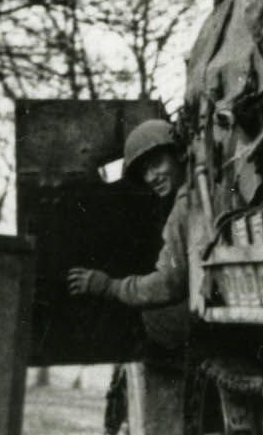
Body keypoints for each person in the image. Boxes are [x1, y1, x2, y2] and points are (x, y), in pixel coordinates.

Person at [67, 119, 195, 347]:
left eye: (157, 163)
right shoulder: (192, 194)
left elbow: (169, 283)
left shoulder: (185, 205)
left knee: (152, 318)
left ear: (178, 155)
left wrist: (110, 287)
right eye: (145, 171)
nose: (151, 177)